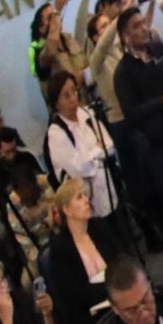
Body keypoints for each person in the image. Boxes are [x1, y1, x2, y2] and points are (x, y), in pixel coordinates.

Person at [112, 8, 163, 241]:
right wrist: (162, 102)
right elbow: (131, 113)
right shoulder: (123, 72)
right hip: (155, 142)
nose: (144, 29)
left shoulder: (159, 51)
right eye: (136, 26)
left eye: (144, 23)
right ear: (125, 36)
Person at [42, 177, 129, 324]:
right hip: (93, 317)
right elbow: (74, 295)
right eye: (79, 197)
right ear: (67, 209)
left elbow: (123, 261)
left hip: (122, 300)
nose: (86, 200)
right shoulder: (60, 249)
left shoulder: (100, 226)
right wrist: (113, 290)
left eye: (85, 195)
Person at [43, 70, 120, 220]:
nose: (73, 98)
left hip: (110, 191)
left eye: (74, 91)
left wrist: (90, 157)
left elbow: (109, 145)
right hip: (87, 206)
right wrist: (97, 151)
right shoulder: (56, 133)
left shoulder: (87, 113)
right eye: (66, 96)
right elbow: (78, 169)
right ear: (56, 103)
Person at [28, 0, 89, 105]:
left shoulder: (68, 39)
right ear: (41, 28)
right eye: (50, 17)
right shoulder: (40, 52)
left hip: (87, 103)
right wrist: (57, 9)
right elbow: (51, 51)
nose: (56, 18)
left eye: (56, 15)